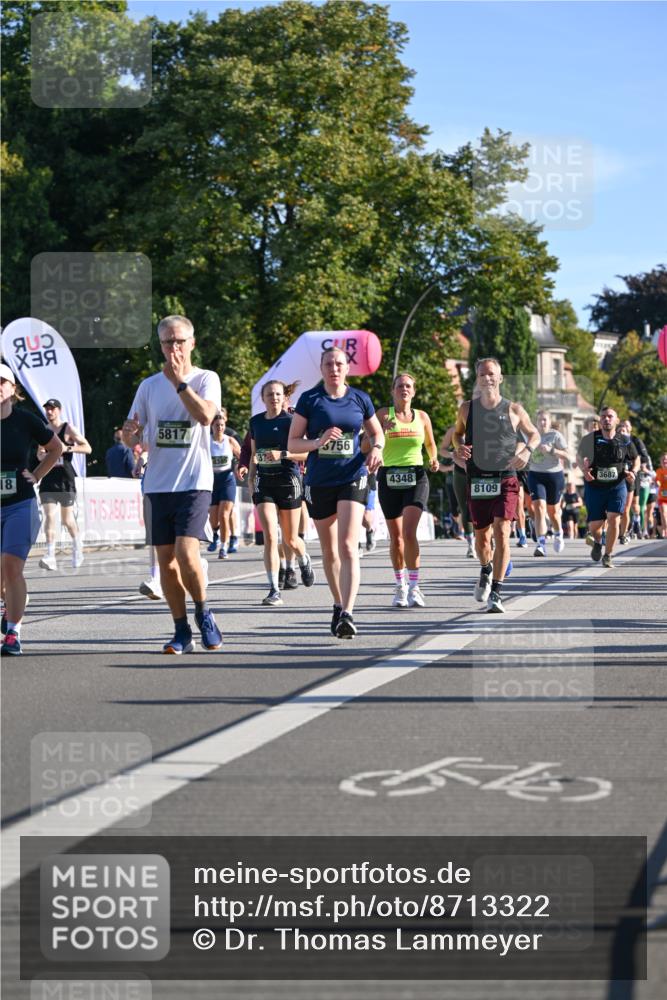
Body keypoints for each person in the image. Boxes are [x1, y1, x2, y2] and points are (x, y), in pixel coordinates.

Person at [122, 314, 222, 653]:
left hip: (194, 481)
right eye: (168, 342)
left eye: (180, 341)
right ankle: (181, 630)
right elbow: (132, 432)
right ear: (161, 346)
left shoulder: (206, 378)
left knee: (186, 553)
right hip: (157, 485)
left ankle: (203, 612)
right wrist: (130, 435)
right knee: (165, 561)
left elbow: (205, 416)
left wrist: (180, 383)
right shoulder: (148, 386)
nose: (174, 348)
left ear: (192, 343)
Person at [287, 346, 384, 637]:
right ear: (321, 368)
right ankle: (338, 603)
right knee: (330, 551)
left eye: (339, 364)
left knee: (347, 545)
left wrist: (377, 448)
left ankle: (348, 613)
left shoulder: (360, 398)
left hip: (352, 476)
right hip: (319, 481)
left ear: (347, 368)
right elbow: (293, 443)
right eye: (328, 364)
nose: (334, 369)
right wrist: (318, 442)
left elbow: (376, 432)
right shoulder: (310, 400)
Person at [453, 357, 540, 613]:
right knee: (482, 540)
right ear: (477, 379)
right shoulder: (466, 409)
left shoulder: (514, 409)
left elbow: (534, 434)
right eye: (482, 374)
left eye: (491, 374)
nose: (487, 378)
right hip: (478, 479)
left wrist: (526, 451)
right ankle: (486, 568)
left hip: (505, 478)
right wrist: (459, 447)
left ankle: (497, 592)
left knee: (502, 531)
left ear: (500, 378)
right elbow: (457, 434)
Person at [1, 364, 64, 655]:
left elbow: (56, 448)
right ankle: (9, 605)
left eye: (2, 382)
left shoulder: (26, 420)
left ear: (13, 389)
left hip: (20, 504)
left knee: (11, 566)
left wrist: (37, 475)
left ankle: (13, 633)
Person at [249, 380, 314, 605]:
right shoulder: (256, 422)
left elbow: (306, 453)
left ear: (283, 397)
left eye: (278, 394)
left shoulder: (291, 421)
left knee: (291, 539)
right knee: (270, 537)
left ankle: (303, 559)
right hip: (264, 481)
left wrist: (283, 454)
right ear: (263, 398)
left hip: (288, 481)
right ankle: (274, 590)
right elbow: (255, 454)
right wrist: (251, 478)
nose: (274, 398)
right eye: (270, 394)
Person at [376, 373, 438, 607]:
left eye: (408, 386)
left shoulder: (422, 417)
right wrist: (382, 430)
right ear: (393, 391)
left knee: (409, 532)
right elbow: (364, 445)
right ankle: (400, 586)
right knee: (397, 538)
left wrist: (433, 459)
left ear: (414, 391)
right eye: (400, 385)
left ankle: (414, 587)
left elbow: (430, 444)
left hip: (416, 476)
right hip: (389, 476)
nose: (404, 389)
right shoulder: (383, 414)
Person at [577, 407, 639, 568]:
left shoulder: (625, 440)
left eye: (610, 416)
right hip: (595, 486)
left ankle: (608, 555)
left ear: (616, 420)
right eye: (603, 416)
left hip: (617, 486)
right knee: (595, 526)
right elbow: (579, 456)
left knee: (613, 518)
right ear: (600, 420)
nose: (606, 419)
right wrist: (584, 470)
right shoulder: (590, 439)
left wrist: (633, 472)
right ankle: (598, 542)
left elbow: (636, 458)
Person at [37, 399, 91, 571]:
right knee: (49, 516)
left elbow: (87, 448)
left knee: (67, 520)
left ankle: (77, 548)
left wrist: (67, 448)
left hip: (65, 479)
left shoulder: (68, 429)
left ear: (59, 410)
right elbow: (39, 454)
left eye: (52, 409)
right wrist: (44, 455)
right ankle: (50, 555)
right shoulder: (44, 430)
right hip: (48, 478)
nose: (49, 412)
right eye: (47, 409)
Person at [527, 410, 570, 557]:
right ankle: (541, 544)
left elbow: (567, 455)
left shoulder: (555, 435)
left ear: (550, 422)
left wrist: (552, 450)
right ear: (536, 422)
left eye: (545, 420)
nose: (542, 422)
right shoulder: (531, 435)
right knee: (539, 508)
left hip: (554, 476)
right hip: (535, 475)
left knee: (553, 512)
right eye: (540, 420)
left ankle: (558, 533)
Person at [207, 408, 241, 558]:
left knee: (224, 514)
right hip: (212, 481)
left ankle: (224, 546)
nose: (219, 428)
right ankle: (215, 533)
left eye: (222, 425)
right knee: (213, 518)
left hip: (227, 479)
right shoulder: (206, 441)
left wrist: (240, 466)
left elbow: (242, 456)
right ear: (212, 426)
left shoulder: (230, 440)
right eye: (217, 425)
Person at [440, 424, 475, 557]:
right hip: (460, 471)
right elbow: (442, 450)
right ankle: (471, 544)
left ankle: (488, 539)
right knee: (464, 508)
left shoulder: (485, 424)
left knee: (484, 506)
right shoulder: (454, 430)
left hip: (481, 470)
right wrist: (452, 454)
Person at [618, 419, 651, 543]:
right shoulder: (614, 440)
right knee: (621, 507)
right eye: (621, 427)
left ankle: (637, 520)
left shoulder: (635, 440)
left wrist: (637, 465)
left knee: (634, 505)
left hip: (633, 475)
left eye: (626, 426)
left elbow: (644, 457)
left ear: (630, 428)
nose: (623, 429)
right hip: (618, 476)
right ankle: (621, 531)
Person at [655, 453, 667, 539]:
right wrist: (657, 482)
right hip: (662, 496)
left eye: (666, 459)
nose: (665, 460)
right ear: (660, 462)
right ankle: (665, 531)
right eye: (663, 459)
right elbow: (657, 480)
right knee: (663, 513)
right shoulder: (658, 471)